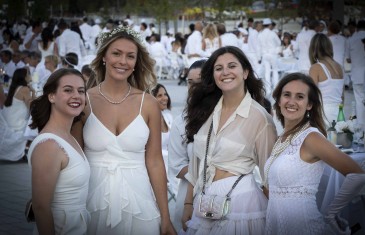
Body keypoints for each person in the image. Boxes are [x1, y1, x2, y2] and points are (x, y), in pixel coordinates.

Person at [71, 25, 176, 235]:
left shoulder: (148, 103)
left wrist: (166, 217)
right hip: (91, 197)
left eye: (130, 56)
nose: (122, 61)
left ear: (136, 62)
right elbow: (74, 158)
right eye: (116, 54)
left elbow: (154, 161)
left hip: (139, 199)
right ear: (104, 57)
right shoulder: (85, 100)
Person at [181, 46, 277, 234]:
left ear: (246, 72)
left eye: (232, 66)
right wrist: (187, 203)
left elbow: (270, 178)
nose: (225, 72)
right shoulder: (206, 110)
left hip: (241, 204)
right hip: (205, 202)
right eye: (219, 68)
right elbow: (196, 163)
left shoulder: (260, 118)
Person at [264, 72, 365, 235]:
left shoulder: (311, 137)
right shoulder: (281, 138)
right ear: (279, 100)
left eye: (299, 97)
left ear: (309, 104)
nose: (291, 101)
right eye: (287, 95)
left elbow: (358, 175)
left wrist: (331, 214)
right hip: (275, 226)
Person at [27, 68, 90, 235]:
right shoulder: (49, 144)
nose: (76, 95)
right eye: (68, 90)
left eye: (81, 91)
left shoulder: (68, 137)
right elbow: (41, 207)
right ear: (52, 96)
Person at [168, 59, 206, 232]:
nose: (194, 87)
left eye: (200, 82)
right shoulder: (180, 122)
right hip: (189, 196)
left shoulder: (227, 116)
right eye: (190, 83)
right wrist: (207, 174)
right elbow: (177, 165)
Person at [309, 33, 344, 127]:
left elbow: (312, 95)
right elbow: (342, 96)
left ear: (313, 49)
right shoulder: (339, 67)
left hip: (323, 113)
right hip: (339, 112)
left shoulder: (316, 68)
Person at [0, 68, 35, 161]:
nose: (30, 75)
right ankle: (32, 149)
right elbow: (31, 106)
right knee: (38, 121)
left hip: (9, 121)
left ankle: (27, 148)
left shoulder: (14, 87)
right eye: (29, 73)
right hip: (17, 123)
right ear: (24, 77)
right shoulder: (25, 89)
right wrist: (34, 92)